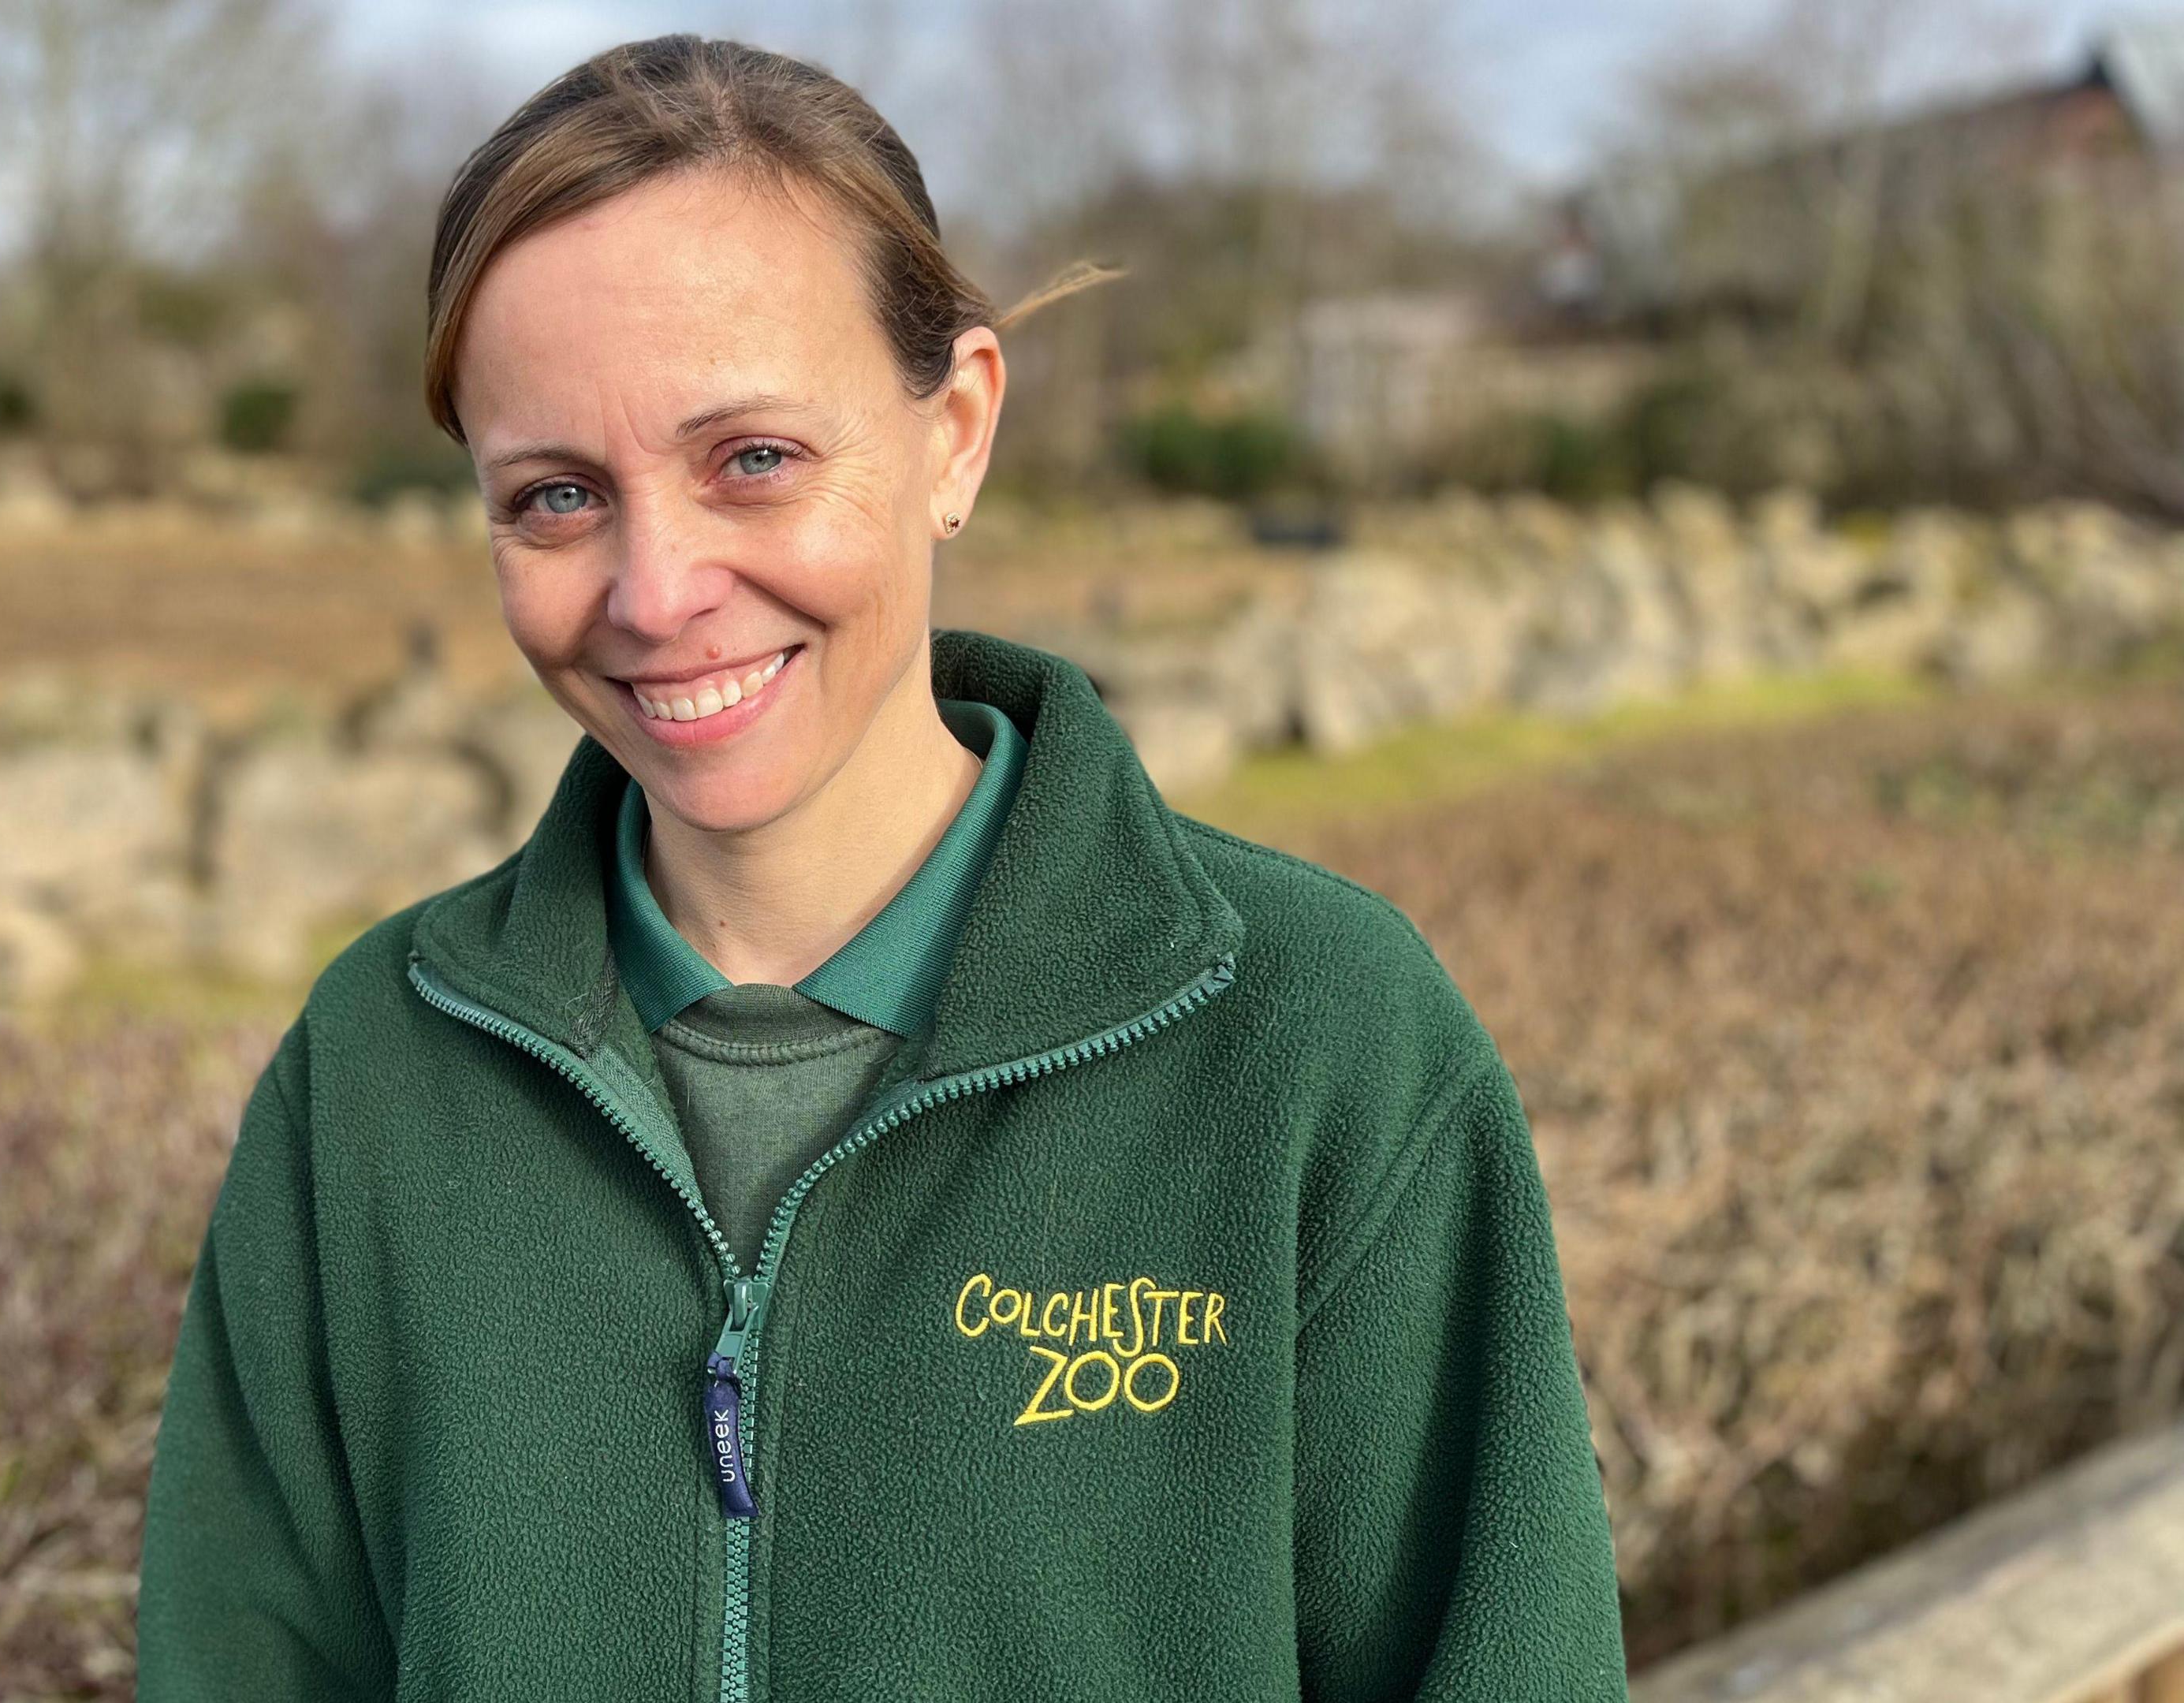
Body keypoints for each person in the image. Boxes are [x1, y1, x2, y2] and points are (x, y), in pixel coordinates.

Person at [137, 33, 1627, 1703]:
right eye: (555, 498)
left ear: (957, 432)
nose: (654, 589)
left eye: (753, 460)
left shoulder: (1321, 1047)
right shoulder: (374, 1077)